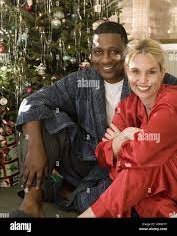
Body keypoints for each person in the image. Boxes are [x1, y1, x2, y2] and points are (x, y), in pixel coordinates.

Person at [12, 22, 177, 218]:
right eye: (98, 52)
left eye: (115, 52)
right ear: (91, 53)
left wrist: (118, 143)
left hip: (128, 170)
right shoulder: (82, 81)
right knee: (44, 120)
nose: (106, 59)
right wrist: (35, 148)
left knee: (122, 195)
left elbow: (147, 152)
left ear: (126, 53)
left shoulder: (157, 79)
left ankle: (71, 193)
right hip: (86, 159)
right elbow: (33, 101)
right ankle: (32, 201)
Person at [79, 39, 177, 218]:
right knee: (147, 195)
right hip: (151, 188)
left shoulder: (172, 100)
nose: (143, 80)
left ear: (162, 72)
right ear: (126, 71)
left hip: (172, 178)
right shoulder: (127, 106)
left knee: (144, 166)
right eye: (135, 71)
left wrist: (117, 145)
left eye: (151, 72)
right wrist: (124, 136)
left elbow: (141, 155)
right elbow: (101, 155)